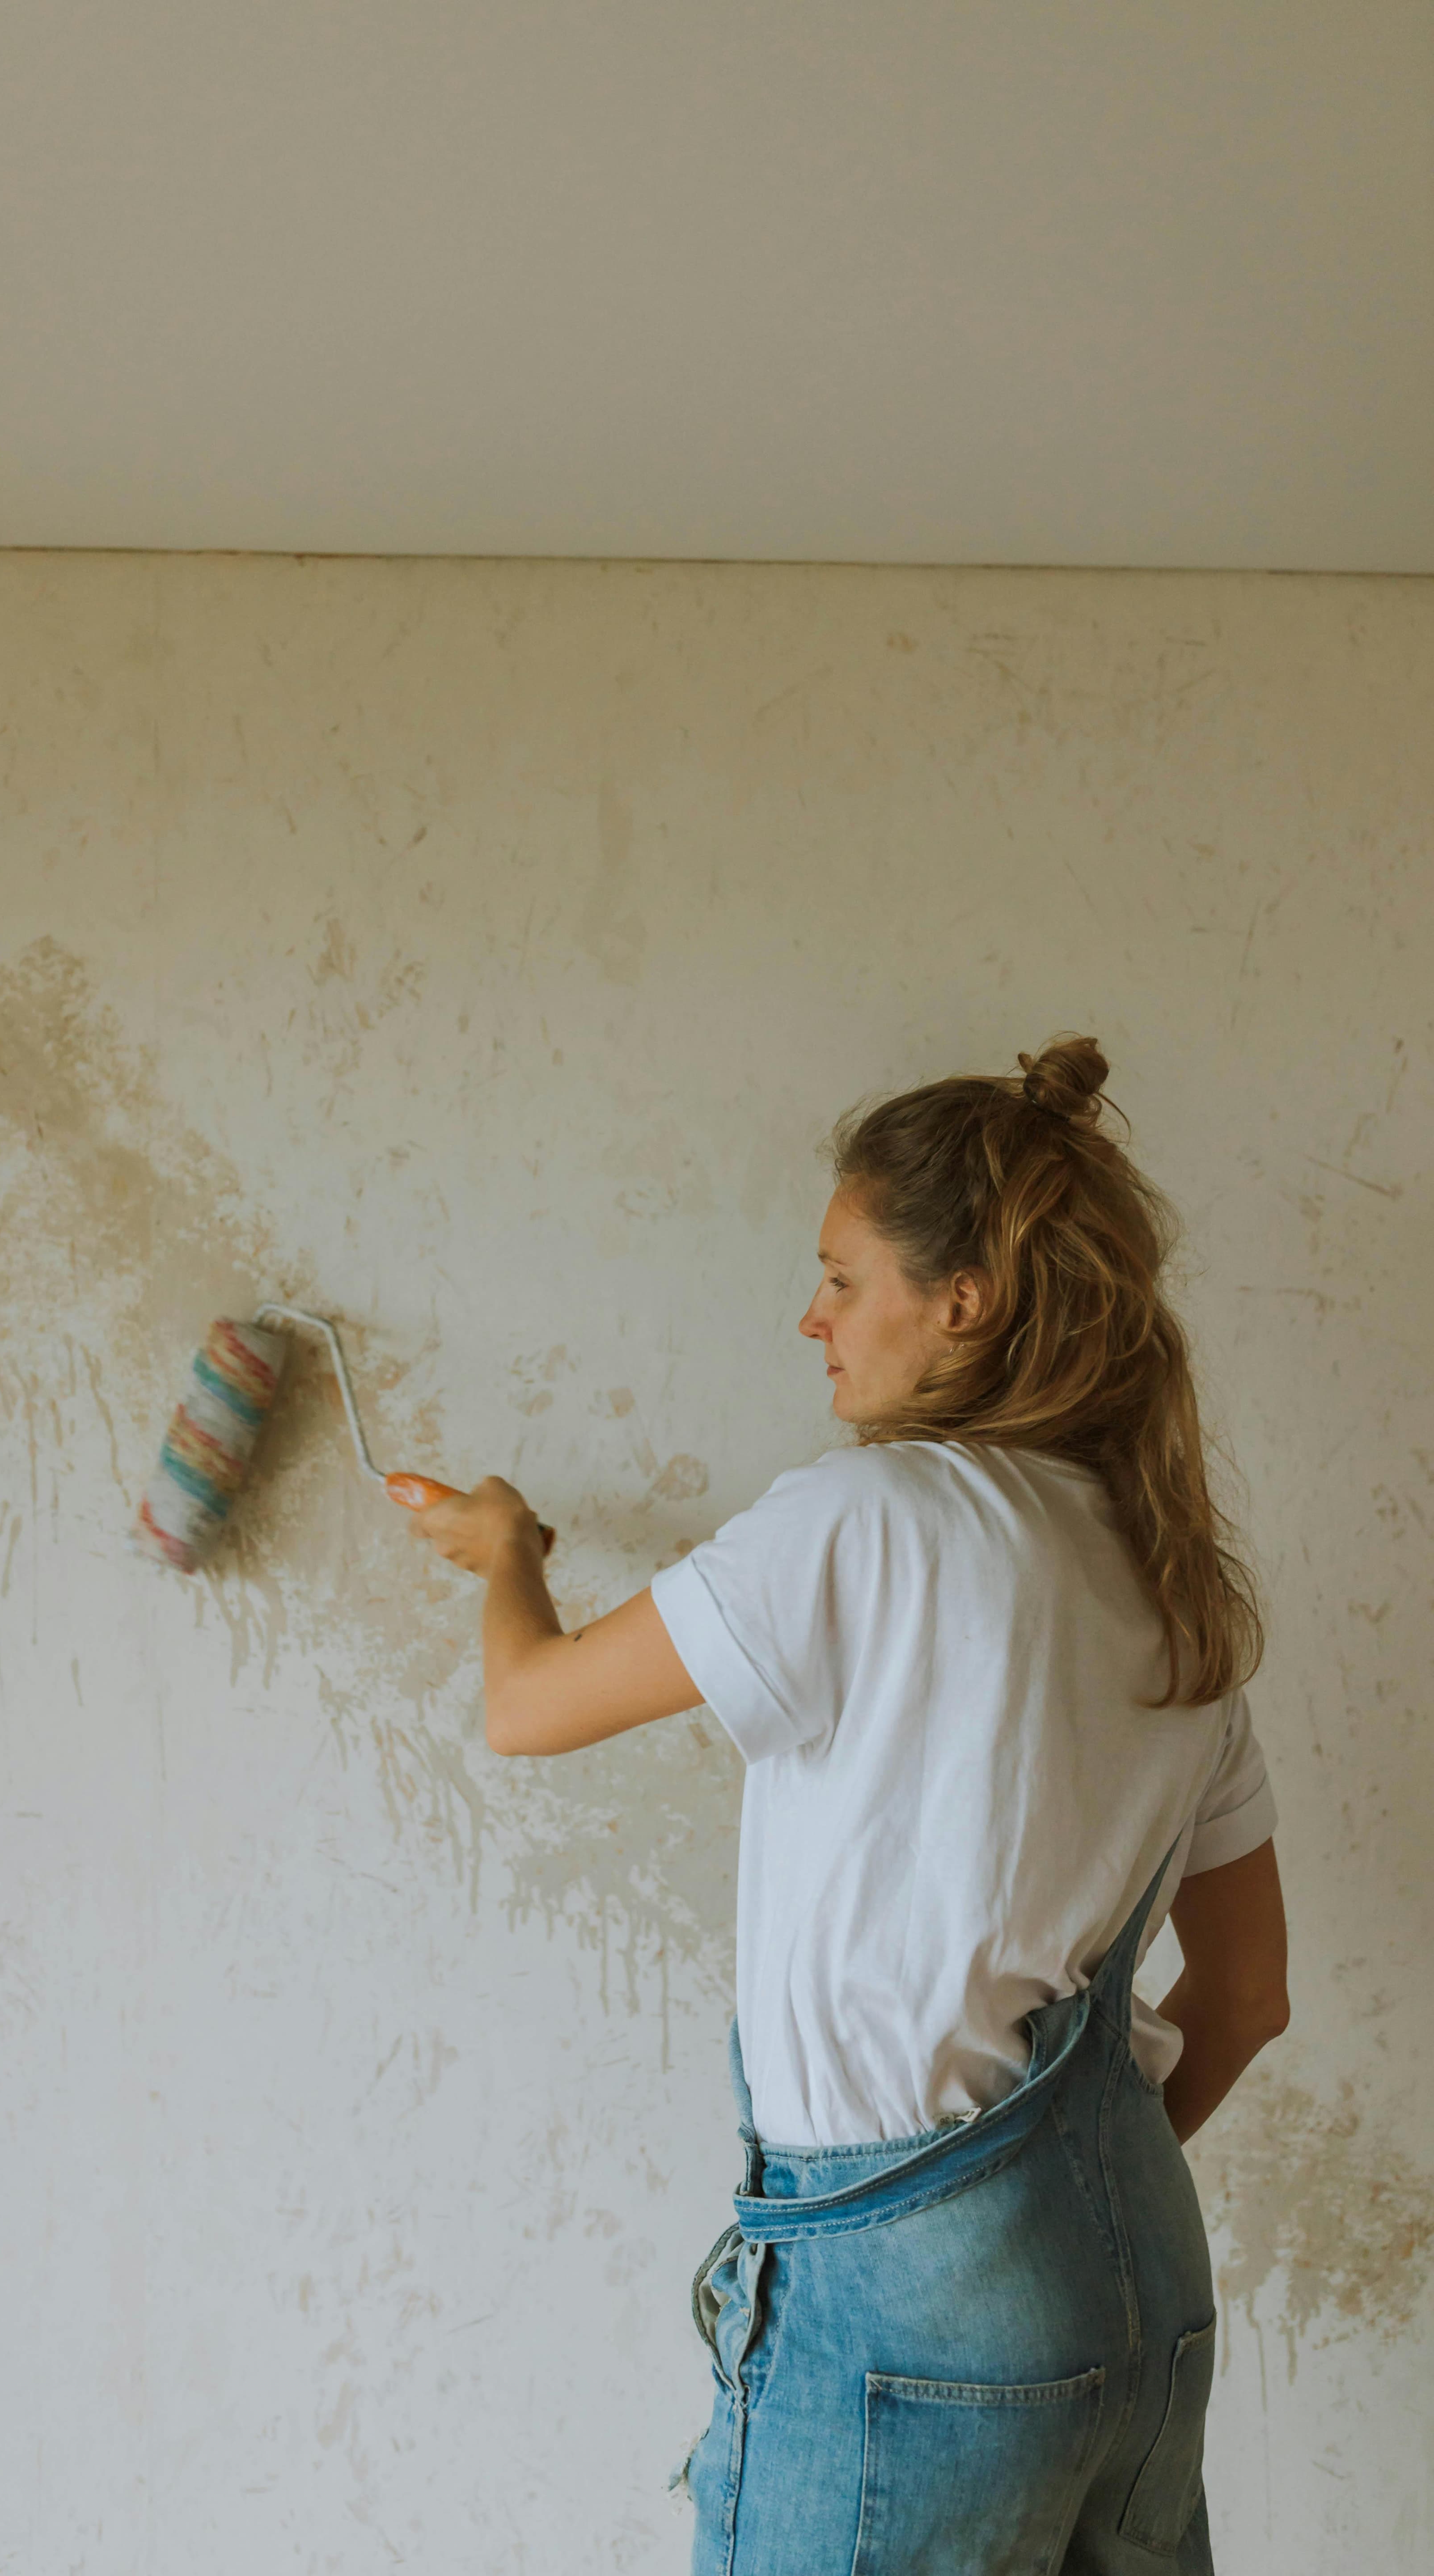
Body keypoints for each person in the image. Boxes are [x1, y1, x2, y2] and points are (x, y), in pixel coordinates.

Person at [411, 1035, 1288, 2576]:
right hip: (1145, 2287)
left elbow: (526, 1704)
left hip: (911, 2306)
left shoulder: (871, 1518)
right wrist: (1051, 2202)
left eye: (839, 1276)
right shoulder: (1172, 1588)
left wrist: (505, 1555)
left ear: (966, 1300)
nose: (809, 1318)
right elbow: (1253, 1995)